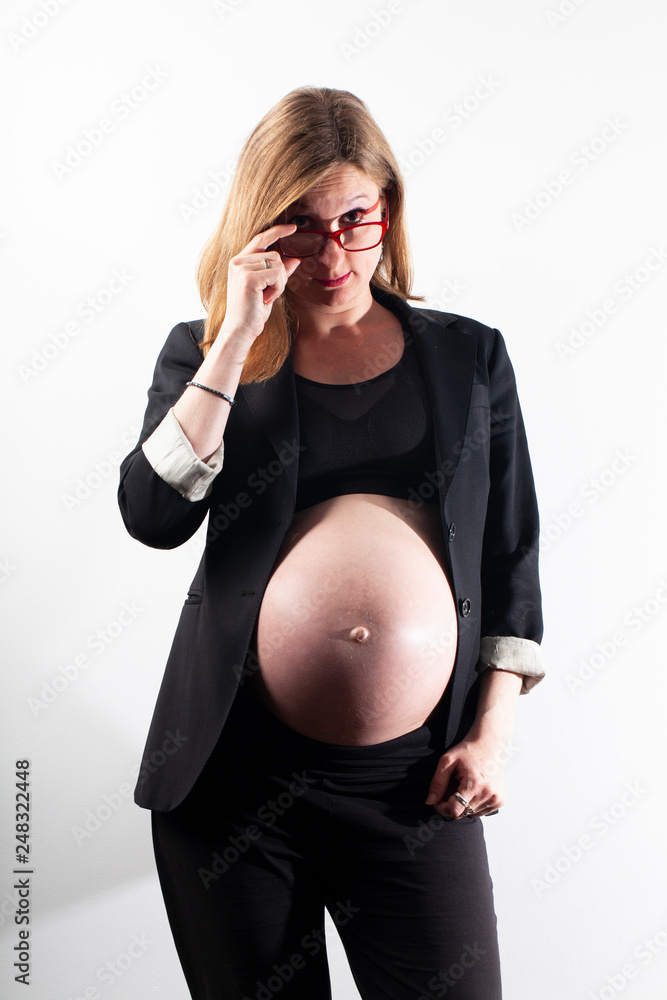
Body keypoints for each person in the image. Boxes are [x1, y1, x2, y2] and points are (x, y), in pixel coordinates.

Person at [118, 85, 544, 1000]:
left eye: (354, 217)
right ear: (259, 225)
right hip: (234, 785)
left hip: (415, 786)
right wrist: (235, 339)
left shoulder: (467, 356)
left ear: (387, 210)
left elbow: (511, 553)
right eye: (300, 224)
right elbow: (152, 517)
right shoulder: (205, 357)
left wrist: (493, 731)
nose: (332, 250)